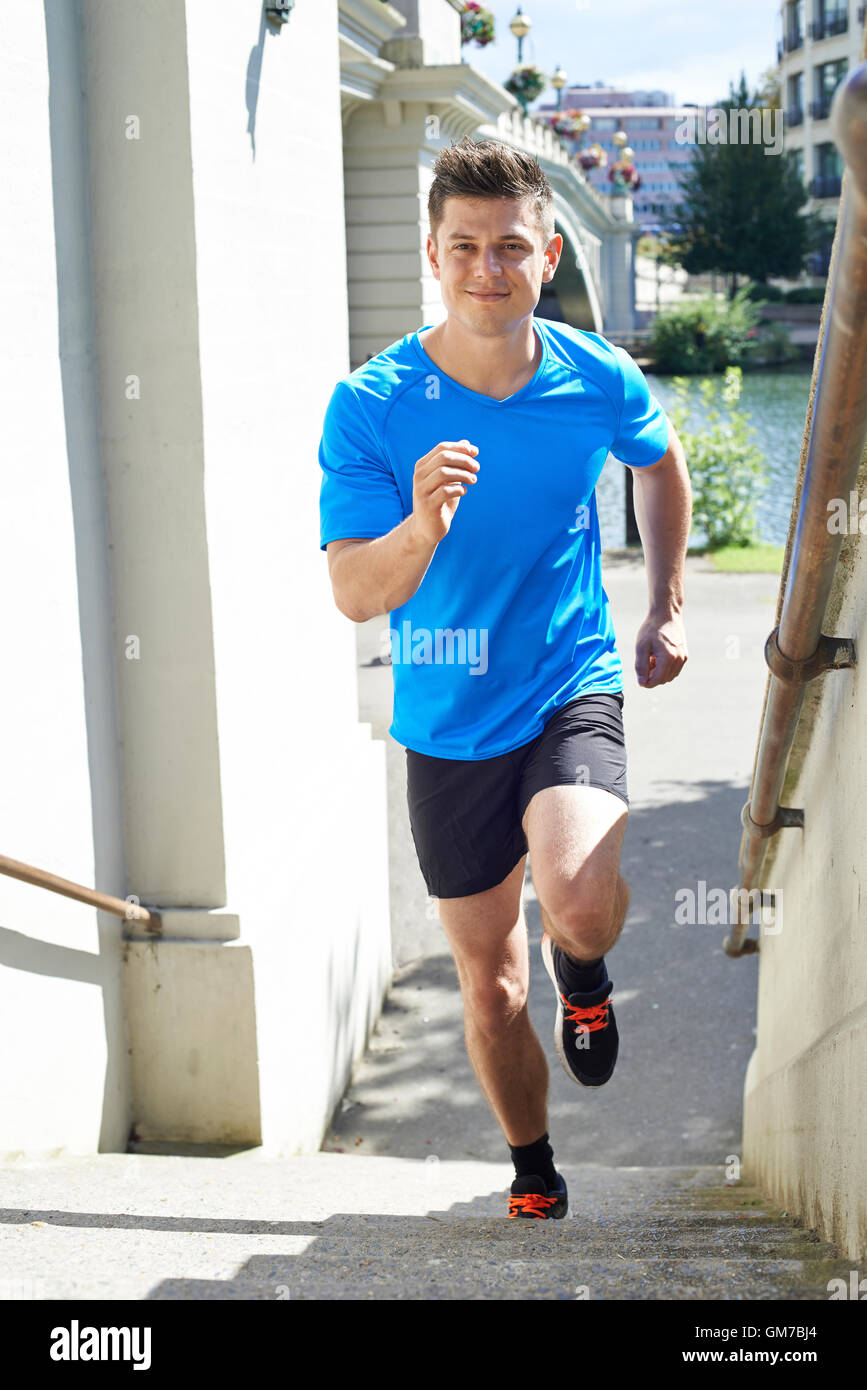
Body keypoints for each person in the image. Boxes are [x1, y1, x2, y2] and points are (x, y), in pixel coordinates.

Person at [318, 136, 691, 1219]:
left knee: (576, 899)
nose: (490, 268)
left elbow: (657, 460)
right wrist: (421, 525)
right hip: (444, 716)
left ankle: (585, 966)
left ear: (552, 252)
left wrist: (664, 605)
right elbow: (353, 592)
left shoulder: (595, 375)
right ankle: (532, 1163)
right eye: (466, 246)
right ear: (433, 253)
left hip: (568, 678)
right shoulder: (373, 405)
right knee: (490, 984)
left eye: (513, 247)